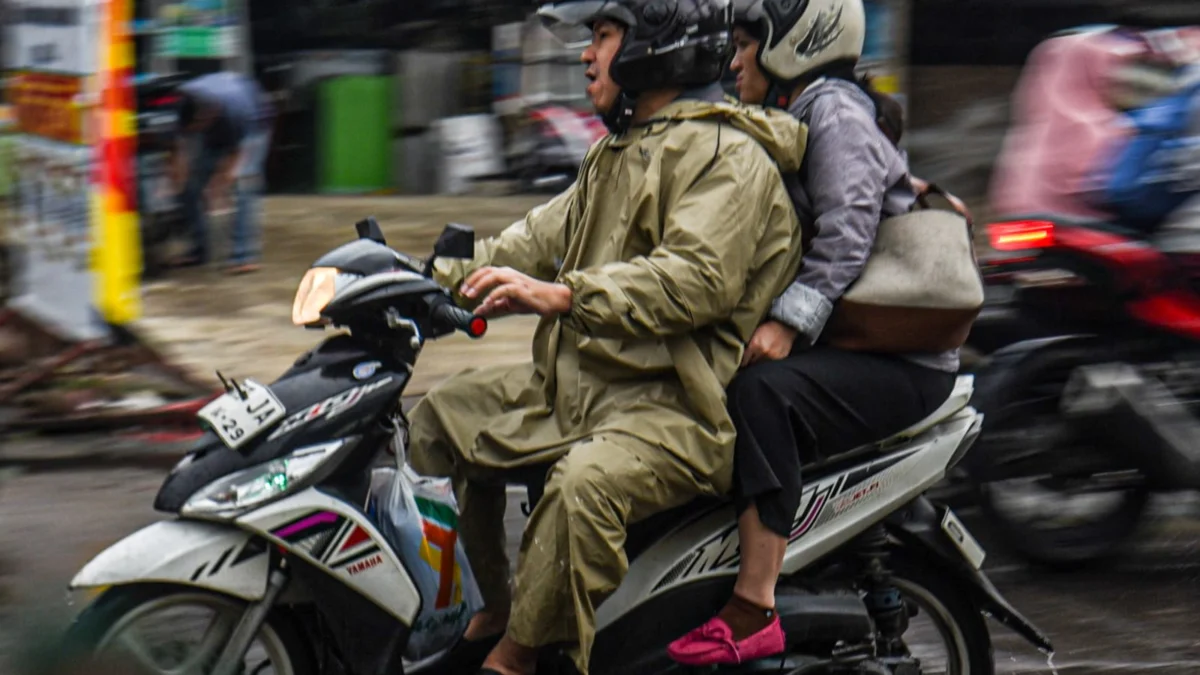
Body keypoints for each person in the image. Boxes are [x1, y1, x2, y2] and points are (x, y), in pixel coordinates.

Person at [405, 0, 809, 673]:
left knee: (582, 486)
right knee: (440, 419)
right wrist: (419, 280)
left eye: (602, 36)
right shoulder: (616, 153)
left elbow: (696, 280)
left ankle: (519, 657)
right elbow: (532, 240)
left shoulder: (728, 157)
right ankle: (496, 605)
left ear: (658, 43)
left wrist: (566, 294)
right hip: (582, 386)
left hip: (673, 407)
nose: (587, 55)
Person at [667, 0, 960, 666]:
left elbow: (847, 231)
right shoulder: (796, 112)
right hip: (864, 346)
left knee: (764, 394)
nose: (734, 58)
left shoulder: (834, 112)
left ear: (794, 45)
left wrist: (785, 325)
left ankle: (753, 603)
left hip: (903, 357)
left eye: (748, 44)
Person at [170, 71, 273, 274]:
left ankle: (243, 256)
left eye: (202, 125)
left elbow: (238, 155)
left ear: (210, 114)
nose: (199, 130)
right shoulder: (184, 105)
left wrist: (219, 183)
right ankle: (199, 250)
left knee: (244, 184)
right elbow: (180, 146)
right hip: (218, 122)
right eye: (196, 128)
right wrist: (181, 179)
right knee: (191, 185)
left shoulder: (238, 111)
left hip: (254, 126)